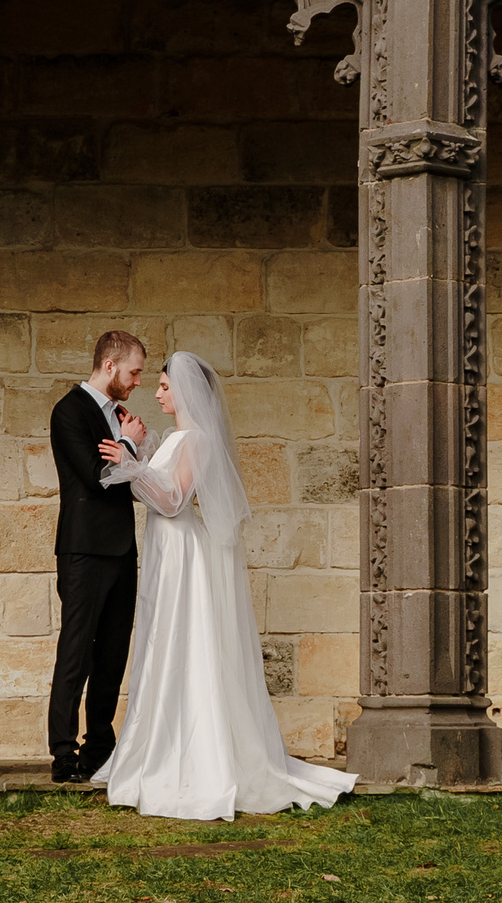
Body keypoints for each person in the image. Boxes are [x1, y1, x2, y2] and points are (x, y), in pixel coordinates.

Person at [94, 351, 356, 821]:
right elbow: (164, 483)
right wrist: (144, 448)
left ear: (185, 391)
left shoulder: (198, 440)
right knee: (161, 639)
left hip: (180, 552)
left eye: (164, 387)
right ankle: (154, 745)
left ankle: (190, 756)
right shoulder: (180, 438)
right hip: (164, 550)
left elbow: (172, 501)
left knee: (181, 642)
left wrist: (132, 460)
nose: (156, 394)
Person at [45, 331, 149, 784]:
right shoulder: (69, 411)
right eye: (134, 372)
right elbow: (94, 476)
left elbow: (131, 480)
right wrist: (126, 446)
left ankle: (100, 748)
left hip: (122, 550)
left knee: (112, 652)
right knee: (76, 652)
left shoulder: (121, 416)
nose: (137, 382)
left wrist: (134, 447)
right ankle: (64, 755)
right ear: (110, 366)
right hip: (84, 551)